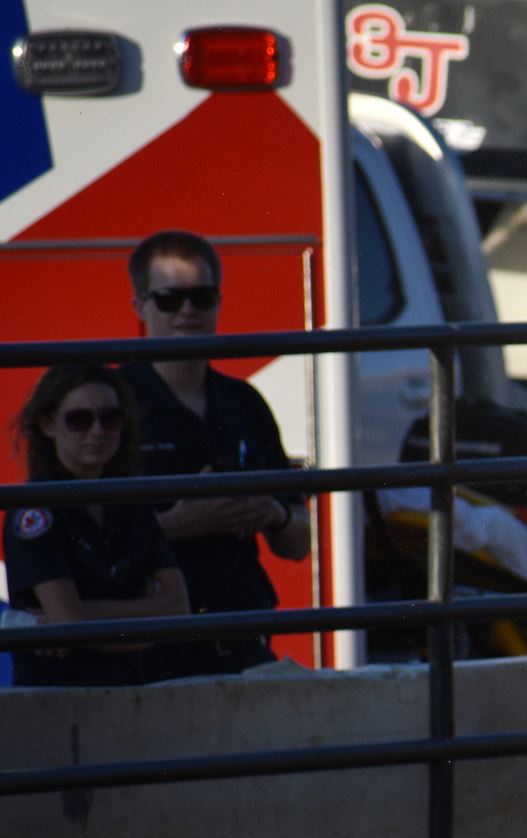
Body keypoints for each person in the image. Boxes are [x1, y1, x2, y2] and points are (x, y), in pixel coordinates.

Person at [121, 229, 308, 677]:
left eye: (201, 297)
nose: (187, 311)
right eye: (169, 299)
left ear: (219, 303)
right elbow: (78, 543)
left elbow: (299, 542)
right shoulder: (107, 405)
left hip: (245, 643)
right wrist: (176, 525)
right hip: (148, 654)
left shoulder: (244, 402)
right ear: (141, 307)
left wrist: (272, 514)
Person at [2, 365, 190, 686]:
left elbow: (178, 609)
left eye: (111, 418)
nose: (97, 431)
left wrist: (84, 614)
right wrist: (145, 617)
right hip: (55, 701)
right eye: (79, 420)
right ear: (48, 425)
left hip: (129, 692)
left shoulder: (132, 500)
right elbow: (71, 622)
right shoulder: (34, 509)